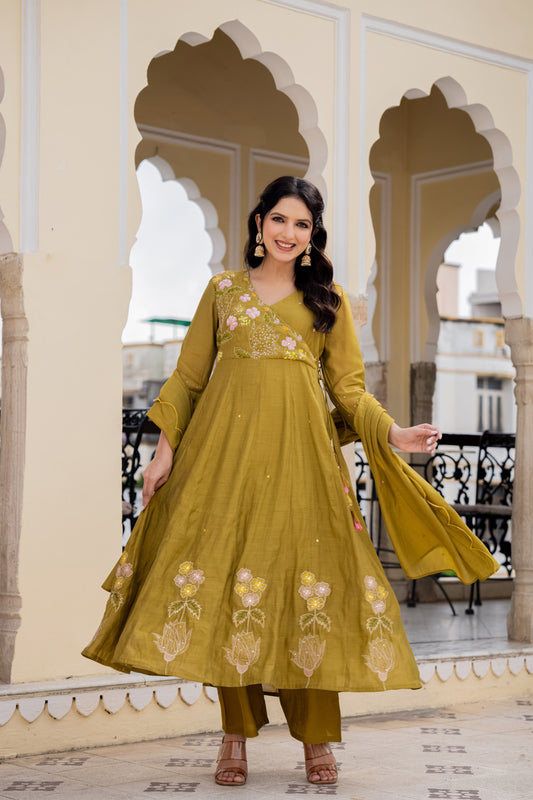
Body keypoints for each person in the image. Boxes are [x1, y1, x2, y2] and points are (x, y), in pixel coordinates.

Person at [83, 176, 498, 788]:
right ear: (258, 224)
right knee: (230, 592)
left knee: (312, 595)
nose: (288, 232)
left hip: (304, 468)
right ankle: (234, 738)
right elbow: (189, 377)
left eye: (301, 224)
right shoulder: (223, 291)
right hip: (221, 468)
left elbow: (350, 390)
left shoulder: (326, 300)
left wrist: (395, 434)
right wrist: (163, 452)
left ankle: (316, 742)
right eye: (279, 219)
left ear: (312, 237)